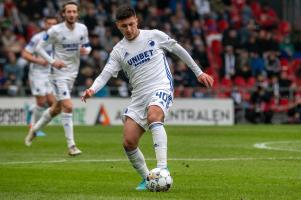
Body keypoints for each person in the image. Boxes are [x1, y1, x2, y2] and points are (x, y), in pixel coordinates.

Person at [81, 5, 214, 190]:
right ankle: (149, 178)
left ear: (137, 20)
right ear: (117, 26)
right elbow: (105, 73)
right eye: (124, 26)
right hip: (138, 96)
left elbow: (179, 50)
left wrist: (199, 73)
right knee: (128, 142)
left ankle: (162, 168)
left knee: (154, 116)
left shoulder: (154, 36)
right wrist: (92, 89)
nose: (128, 29)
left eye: (131, 24)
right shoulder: (118, 51)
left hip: (161, 87)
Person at [25, 1, 91, 156]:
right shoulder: (55, 30)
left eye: (74, 11)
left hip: (72, 73)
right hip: (57, 74)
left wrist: (86, 50)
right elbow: (38, 48)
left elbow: (87, 45)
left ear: (78, 13)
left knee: (56, 108)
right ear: (63, 13)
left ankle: (34, 129)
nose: (72, 14)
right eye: (69, 11)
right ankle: (72, 146)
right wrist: (53, 61)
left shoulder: (83, 29)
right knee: (68, 106)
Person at [22, 16, 58, 135]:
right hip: (37, 73)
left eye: (54, 24)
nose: (51, 26)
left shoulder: (59, 37)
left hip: (51, 73)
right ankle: (35, 128)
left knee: (53, 104)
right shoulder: (37, 38)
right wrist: (38, 61)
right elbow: (25, 54)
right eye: (49, 23)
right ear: (45, 24)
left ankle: (32, 110)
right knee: (41, 102)